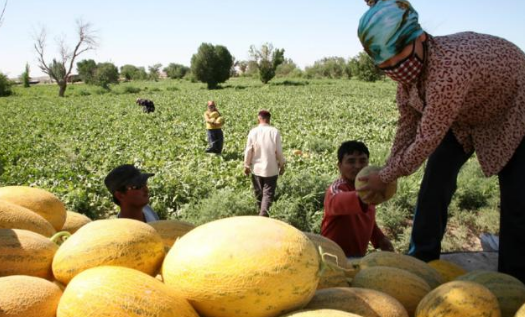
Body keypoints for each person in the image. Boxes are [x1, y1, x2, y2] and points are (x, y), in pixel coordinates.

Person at [356, 0, 525, 282]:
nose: (396, 70)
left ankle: (513, 280)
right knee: (435, 181)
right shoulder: (408, 75)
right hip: (465, 115)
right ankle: (421, 258)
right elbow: (407, 126)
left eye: (399, 58)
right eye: (385, 66)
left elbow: (425, 139)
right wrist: (387, 169)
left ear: (420, 36)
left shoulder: (448, 70)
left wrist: (385, 176)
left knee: (517, 199)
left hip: (514, 106)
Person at [321, 140, 394, 258]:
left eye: (362, 161)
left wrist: (380, 238)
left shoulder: (367, 188)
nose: (358, 166)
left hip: (357, 258)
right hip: (332, 258)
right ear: (339, 166)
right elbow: (337, 201)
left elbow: (366, 218)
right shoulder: (336, 188)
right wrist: (366, 193)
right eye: (351, 161)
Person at [244, 110, 286, 217]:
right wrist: (282, 165)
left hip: (257, 169)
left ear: (259, 119)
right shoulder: (274, 131)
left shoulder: (253, 131)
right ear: (269, 119)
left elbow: (249, 150)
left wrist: (246, 165)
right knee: (267, 194)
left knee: (259, 193)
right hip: (271, 169)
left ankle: (261, 214)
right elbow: (279, 151)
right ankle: (263, 216)